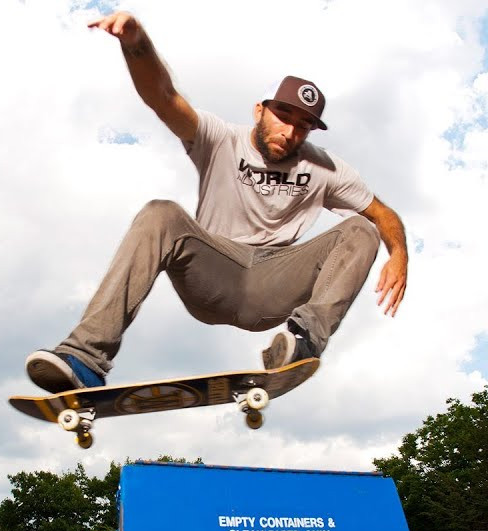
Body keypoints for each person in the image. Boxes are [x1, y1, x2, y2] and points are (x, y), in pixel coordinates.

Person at [25, 10, 408, 392]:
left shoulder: (326, 167)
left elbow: (381, 212)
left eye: (303, 125)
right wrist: (136, 44)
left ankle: (302, 344)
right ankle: (85, 358)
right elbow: (164, 98)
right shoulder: (219, 138)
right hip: (214, 273)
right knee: (161, 213)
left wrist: (399, 253)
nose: (290, 131)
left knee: (362, 228)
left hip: (275, 281)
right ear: (260, 110)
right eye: (282, 115)